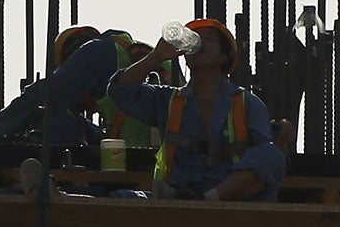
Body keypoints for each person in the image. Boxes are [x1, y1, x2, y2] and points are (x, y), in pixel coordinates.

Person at [106, 19, 285, 201]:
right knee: (117, 200)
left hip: (228, 195)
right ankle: (193, 199)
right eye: (196, 38)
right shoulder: (169, 101)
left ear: (224, 57)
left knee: (272, 154)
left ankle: (207, 199)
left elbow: (265, 157)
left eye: (208, 39)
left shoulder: (247, 103)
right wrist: (157, 56)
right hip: (176, 193)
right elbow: (120, 92)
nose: (199, 43)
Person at [0, 25, 131, 149]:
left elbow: (49, 91)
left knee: (56, 119)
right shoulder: (127, 55)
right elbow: (83, 125)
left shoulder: (96, 52)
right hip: (148, 159)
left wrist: (0, 121)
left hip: (147, 160)